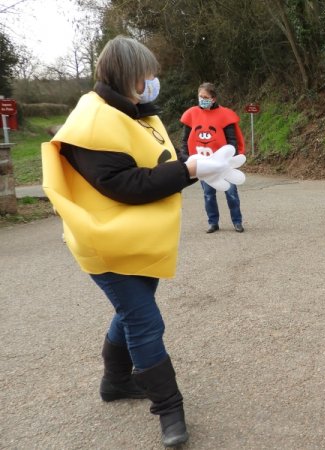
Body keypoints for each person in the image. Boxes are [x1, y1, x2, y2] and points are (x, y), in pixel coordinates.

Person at [41, 36, 245, 448]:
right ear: (125, 75)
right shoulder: (92, 120)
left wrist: (197, 169)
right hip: (106, 242)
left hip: (135, 239)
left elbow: (155, 167)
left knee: (129, 314)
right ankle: (169, 409)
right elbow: (124, 184)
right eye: (146, 75)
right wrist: (189, 170)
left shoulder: (132, 113)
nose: (152, 82)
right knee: (144, 321)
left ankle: (115, 382)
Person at [180, 82, 246, 233]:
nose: (202, 99)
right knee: (208, 194)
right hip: (204, 164)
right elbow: (185, 139)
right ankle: (213, 222)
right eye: (200, 96)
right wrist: (186, 156)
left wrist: (230, 159)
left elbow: (232, 141)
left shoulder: (225, 115)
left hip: (223, 164)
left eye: (206, 97)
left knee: (231, 193)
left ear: (213, 98)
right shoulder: (192, 114)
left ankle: (237, 221)